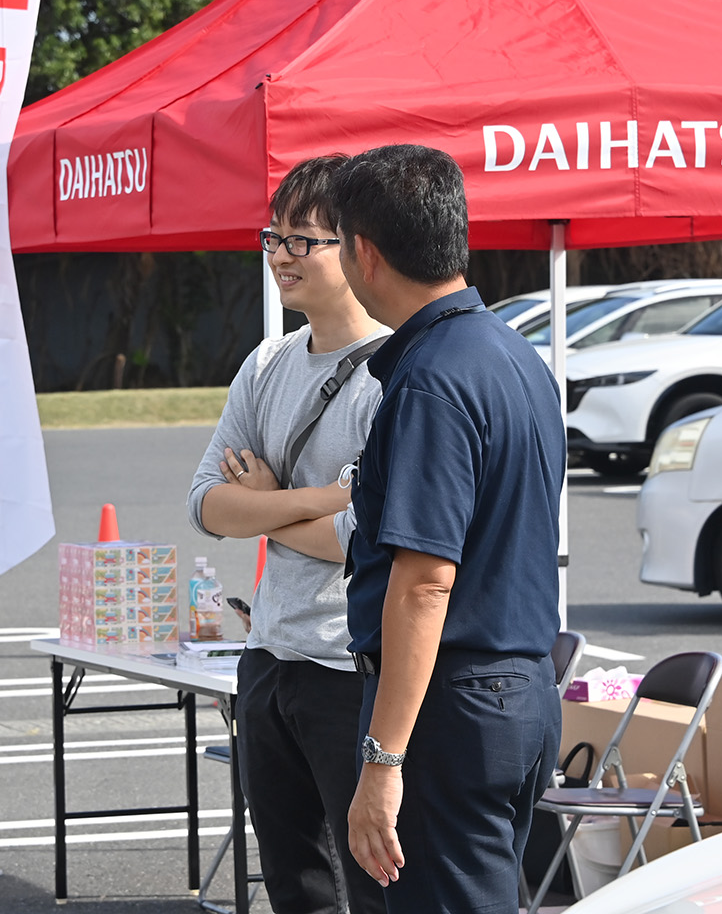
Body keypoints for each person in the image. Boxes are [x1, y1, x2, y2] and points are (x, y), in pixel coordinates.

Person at [332, 144, 565, 914]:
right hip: (516, 689)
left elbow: (426, 580)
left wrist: (382, 759)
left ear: (365, 253)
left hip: (450, 705)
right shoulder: (512, 354)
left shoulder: (433, 378)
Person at [188, 154, 389, 914]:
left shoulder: (392, 375)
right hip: (268, 661)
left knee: (372, 888)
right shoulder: (268, 360)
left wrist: (268, 509)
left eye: (303, 240)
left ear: (359, 246)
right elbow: (207, 504)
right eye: (273, 236)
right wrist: (305, 500)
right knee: (295, 888)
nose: (280, 255)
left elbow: (368, 538)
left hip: (352, 669)